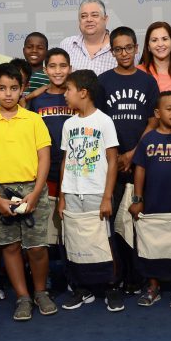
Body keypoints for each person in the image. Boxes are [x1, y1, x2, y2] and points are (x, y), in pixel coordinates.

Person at [0, 63, 58, 320]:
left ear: (22, 89)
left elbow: (44, 158)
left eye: (13, 88)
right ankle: (22, 296)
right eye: (2, 88)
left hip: (32, 188)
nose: (8, 94)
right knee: (10, 246)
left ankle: (40, 291)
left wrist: (35, 193)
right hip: (0, 191)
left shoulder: (34, 120)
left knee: (37, 247)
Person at [99, 26, 159, 294]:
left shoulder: (147, 82)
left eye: (128, 47)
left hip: (139, 164)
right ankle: (116, 275)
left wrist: (132, 153)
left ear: (137, 48)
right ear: (112, 51)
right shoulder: (103, 81)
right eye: (118, 48)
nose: (124, 53)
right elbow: (98, 123)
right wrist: (116, 156)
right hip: (111, 164)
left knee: (137, 219)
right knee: (111, 222)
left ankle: (140, 276)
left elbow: (153, 121)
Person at [57, 70, 123, 312]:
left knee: (104, 240)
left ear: (83, 93)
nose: (65, 95)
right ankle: (81, 288)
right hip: (73, 192)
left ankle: (112, 286)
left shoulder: (104, 121)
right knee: (75, 240)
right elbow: (65, 161)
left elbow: (113, 160)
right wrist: (62, 197)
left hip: (97, 192)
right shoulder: (68, 124)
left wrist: (107, 196)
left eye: (68, 90)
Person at [130, 91, 171, 308]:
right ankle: (152, 285)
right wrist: (137, 198)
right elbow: (140, 171)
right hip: (153, 200)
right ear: (157, 112)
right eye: (169, 108)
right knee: (150, 244)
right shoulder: (148, 139)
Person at [30, 48, 75, 197]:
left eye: (63, 66)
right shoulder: (37, 101)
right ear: (45, 70)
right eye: (52, 66)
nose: (58, 71)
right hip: (45, 173)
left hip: (74, 172)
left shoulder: (77, 97)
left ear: (70, 68)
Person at [59, 0, 117, 75]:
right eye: (84, 16)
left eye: (94, 15)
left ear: (105, 19)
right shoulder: (67, 45)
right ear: (79, 20)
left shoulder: (119, 47)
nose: (89, 19)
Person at [137, 22, 171, 92]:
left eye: (164, 39)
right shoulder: (139, 71)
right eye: (154, 40)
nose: (160, 44)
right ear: (148, 46)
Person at [22, 32, 50, 99]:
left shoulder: (50, 76)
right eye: (29, 47)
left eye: (40, 48)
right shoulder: (15, 73)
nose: (34, 51)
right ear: (23, 50)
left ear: (46, 52)